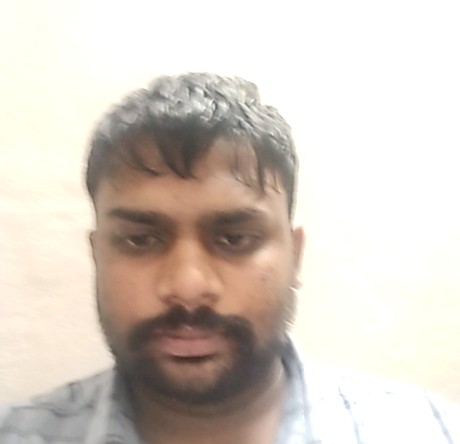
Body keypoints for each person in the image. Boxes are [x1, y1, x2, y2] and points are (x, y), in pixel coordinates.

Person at [0, 73, 459, 444]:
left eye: (235, 239)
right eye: (140, 240)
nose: (187, 286)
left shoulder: (429, 432)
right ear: (98, 256)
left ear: (295, 255)